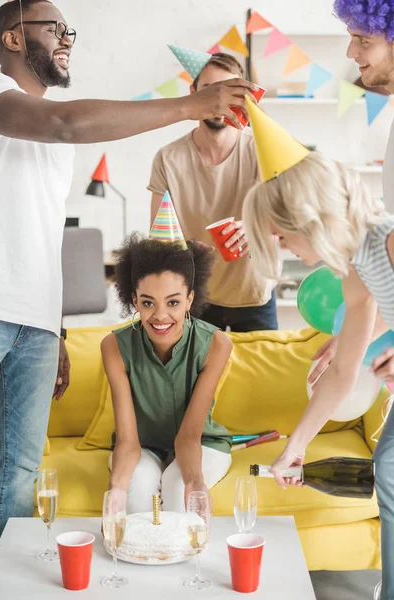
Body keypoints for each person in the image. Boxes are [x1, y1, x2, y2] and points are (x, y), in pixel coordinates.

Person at [0, 0, 258, 549]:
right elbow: (68, 124)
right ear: (14, 38)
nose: (68, 39)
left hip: (34, 323)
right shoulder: (3, 102)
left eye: (72, 30)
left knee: (16, 474)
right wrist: (191, 105)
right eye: (54, 29)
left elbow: (38, 237)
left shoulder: (50, 142)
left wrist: (56, 327)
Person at [243, 108, 394, 598]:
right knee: (387, 471)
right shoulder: (356, 267)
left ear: (307, 219)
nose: (283, 247)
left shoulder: (389, 241)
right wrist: (297, 447)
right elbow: (343, 372)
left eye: (282, 235)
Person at [101, 233, 233, 512]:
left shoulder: (216, 344)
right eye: (148, 303)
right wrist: (116, 491)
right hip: (141, 446)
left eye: (173, 302)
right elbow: (127, 440)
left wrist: (195, 483)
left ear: (189, 299)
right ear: (134, 300)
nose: (160, 316)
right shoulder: (114, 347)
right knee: (134, 498)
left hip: (202, 443)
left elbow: (189, 436)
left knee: (178, 494)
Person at [148, 52, 277, 333]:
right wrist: (184, 252)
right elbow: (159, 236)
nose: (219, 101)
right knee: (197, 377)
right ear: (192, 93)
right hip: (196, 299)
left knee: (258, 377)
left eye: (229, 91)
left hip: (255, 296)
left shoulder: (264, 150)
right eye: (209, 91)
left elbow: (287, 216)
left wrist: (256, 228)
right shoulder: (168, 158)